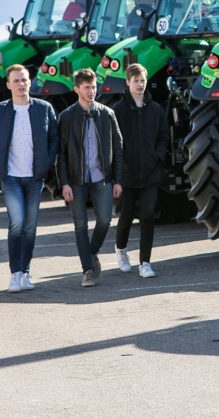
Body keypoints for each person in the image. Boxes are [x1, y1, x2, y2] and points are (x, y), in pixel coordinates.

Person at [0, 64, 58, 293]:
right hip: (11, 178)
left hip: (35, 177)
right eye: (16, 80)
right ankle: (15, 274)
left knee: (30, 227)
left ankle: (25, 272)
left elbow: (54, 139)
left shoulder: (44, 109)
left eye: (24, 79)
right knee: (17, 223)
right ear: (8, 85)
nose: (20, 84)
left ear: (30, 82)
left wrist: (46, 163)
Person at [57, 68, 123, 288]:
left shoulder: (107, 114)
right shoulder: (66, 117)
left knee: (105, 220)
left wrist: (118, 179)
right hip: (76, 180)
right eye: (86, 87)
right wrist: (64, 182)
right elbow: (62, 154)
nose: (91, 91)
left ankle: (91, 251)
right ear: (77, 89)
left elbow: (119, 147)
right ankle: (88, 270)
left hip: (101, 177)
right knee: (80, 225)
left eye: (94, 87)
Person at [112, 64, 168, 278]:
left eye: (142, 80)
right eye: (135, 81)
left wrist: (158, 155)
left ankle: (145, 262)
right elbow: (114, 142)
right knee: (126, 216)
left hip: (150, 173)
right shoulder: (118, 110)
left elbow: (164, 135)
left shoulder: (155, 110)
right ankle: (121, 249)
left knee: (147, 215)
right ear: (128, 82)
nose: (139, 84)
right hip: (127, 174)